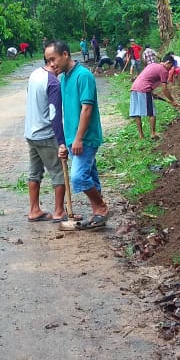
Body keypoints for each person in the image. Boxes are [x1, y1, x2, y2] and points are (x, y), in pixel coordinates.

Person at [45, 41, 109, 230]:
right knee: (90, 175)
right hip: (73, 138)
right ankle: (98, 214)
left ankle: (101, 208)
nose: (51, 64)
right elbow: (67, 112)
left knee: (78, 177)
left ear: (65, 55)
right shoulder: (64, 78)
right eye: (48, 61)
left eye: (53, 59)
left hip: (86, 138)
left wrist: (79, 138)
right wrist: (64, 142)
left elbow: (86, 109)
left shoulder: (84, 76)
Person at [25, 56, 68, 223]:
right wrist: (62, 142)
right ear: (52, 61)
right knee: (58, 172)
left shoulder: (34, 74)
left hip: (31, 133)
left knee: (35, 172)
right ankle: (58, 211)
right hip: (45, 135)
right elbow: (54, 115)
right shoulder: (53, 83)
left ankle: (34, 210)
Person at [129, 54, 177, 139]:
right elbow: (164, 89)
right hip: (144, 89)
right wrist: (172, 100)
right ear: (168, 62)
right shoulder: (163, 70)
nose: (170, 68)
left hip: (134, 88)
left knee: (137, 112)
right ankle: (153, 134)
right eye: (171, 66)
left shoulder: (152, 64)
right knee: (152, 113)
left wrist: (151, 92)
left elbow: (147, 77)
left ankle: (141, 136)